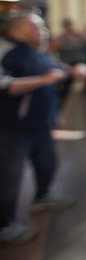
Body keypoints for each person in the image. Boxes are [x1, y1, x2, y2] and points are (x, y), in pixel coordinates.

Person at [0, 13, 75, 244]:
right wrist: (44, 80)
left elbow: (56, 69)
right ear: (18, 30)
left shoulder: (40, 51)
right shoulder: (6, 53)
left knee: (46, 162)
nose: (42, 32)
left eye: (43, 28)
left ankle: (43, 195)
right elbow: (5, 86)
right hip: (12, 128)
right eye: (36, 28)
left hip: (41, 123)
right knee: (9, 177)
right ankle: (5, 225)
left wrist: (72, 71)